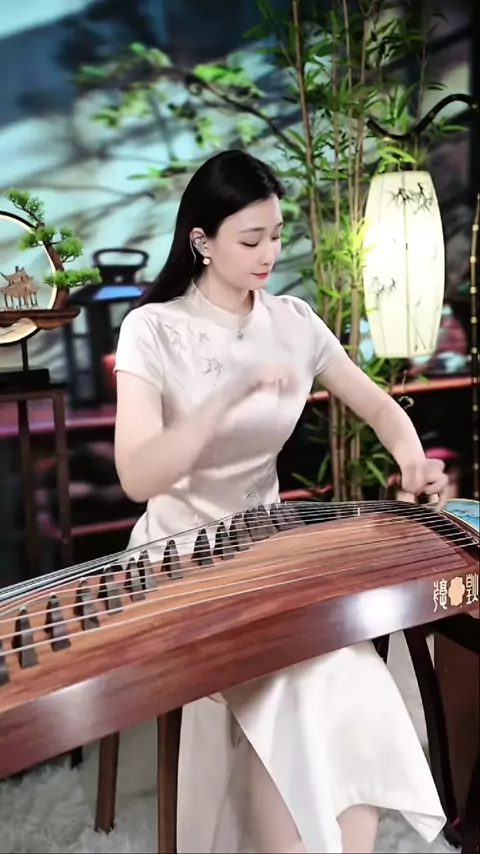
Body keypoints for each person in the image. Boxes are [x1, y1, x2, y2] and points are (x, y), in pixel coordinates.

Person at [114, 149, 448, 854]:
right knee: (296, 685)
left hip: (267, 549)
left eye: (275, 234)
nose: (269, 253)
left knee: (353, 679)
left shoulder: (293, 321)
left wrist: (412, 460)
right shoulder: (153, 329)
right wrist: (226, 398)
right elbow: (139, 475)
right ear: (202, 241)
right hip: (179, 557)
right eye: (250, 240)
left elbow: (379, 407)